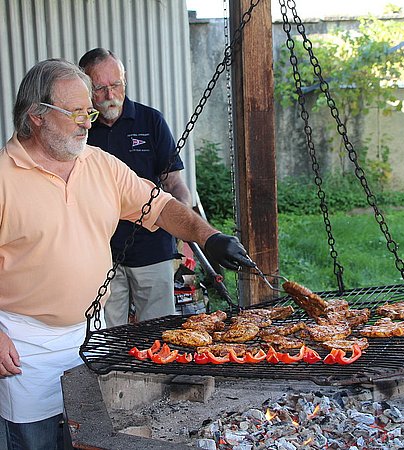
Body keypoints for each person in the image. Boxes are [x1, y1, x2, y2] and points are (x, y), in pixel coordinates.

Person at [0, 58, 254, 450]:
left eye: (89, 111)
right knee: (35, 443)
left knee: (92, 437)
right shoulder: (4, 176)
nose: (88, 120)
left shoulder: (98, 164)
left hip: (90, 335)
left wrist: (208, 236)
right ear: (36, 116)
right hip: (25, 346)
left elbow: (162, 205)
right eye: (76, 112)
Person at [78, 48, 192, 326]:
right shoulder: (80, 129)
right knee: (108, 338)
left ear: (124, 80)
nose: (109, 95)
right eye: (100, 88)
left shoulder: (150, 121)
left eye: (116, 84)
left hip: (152, 249)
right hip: (100, 254)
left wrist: (184, 224)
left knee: (159, 332)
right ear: (85, 87)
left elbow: (175, 184)